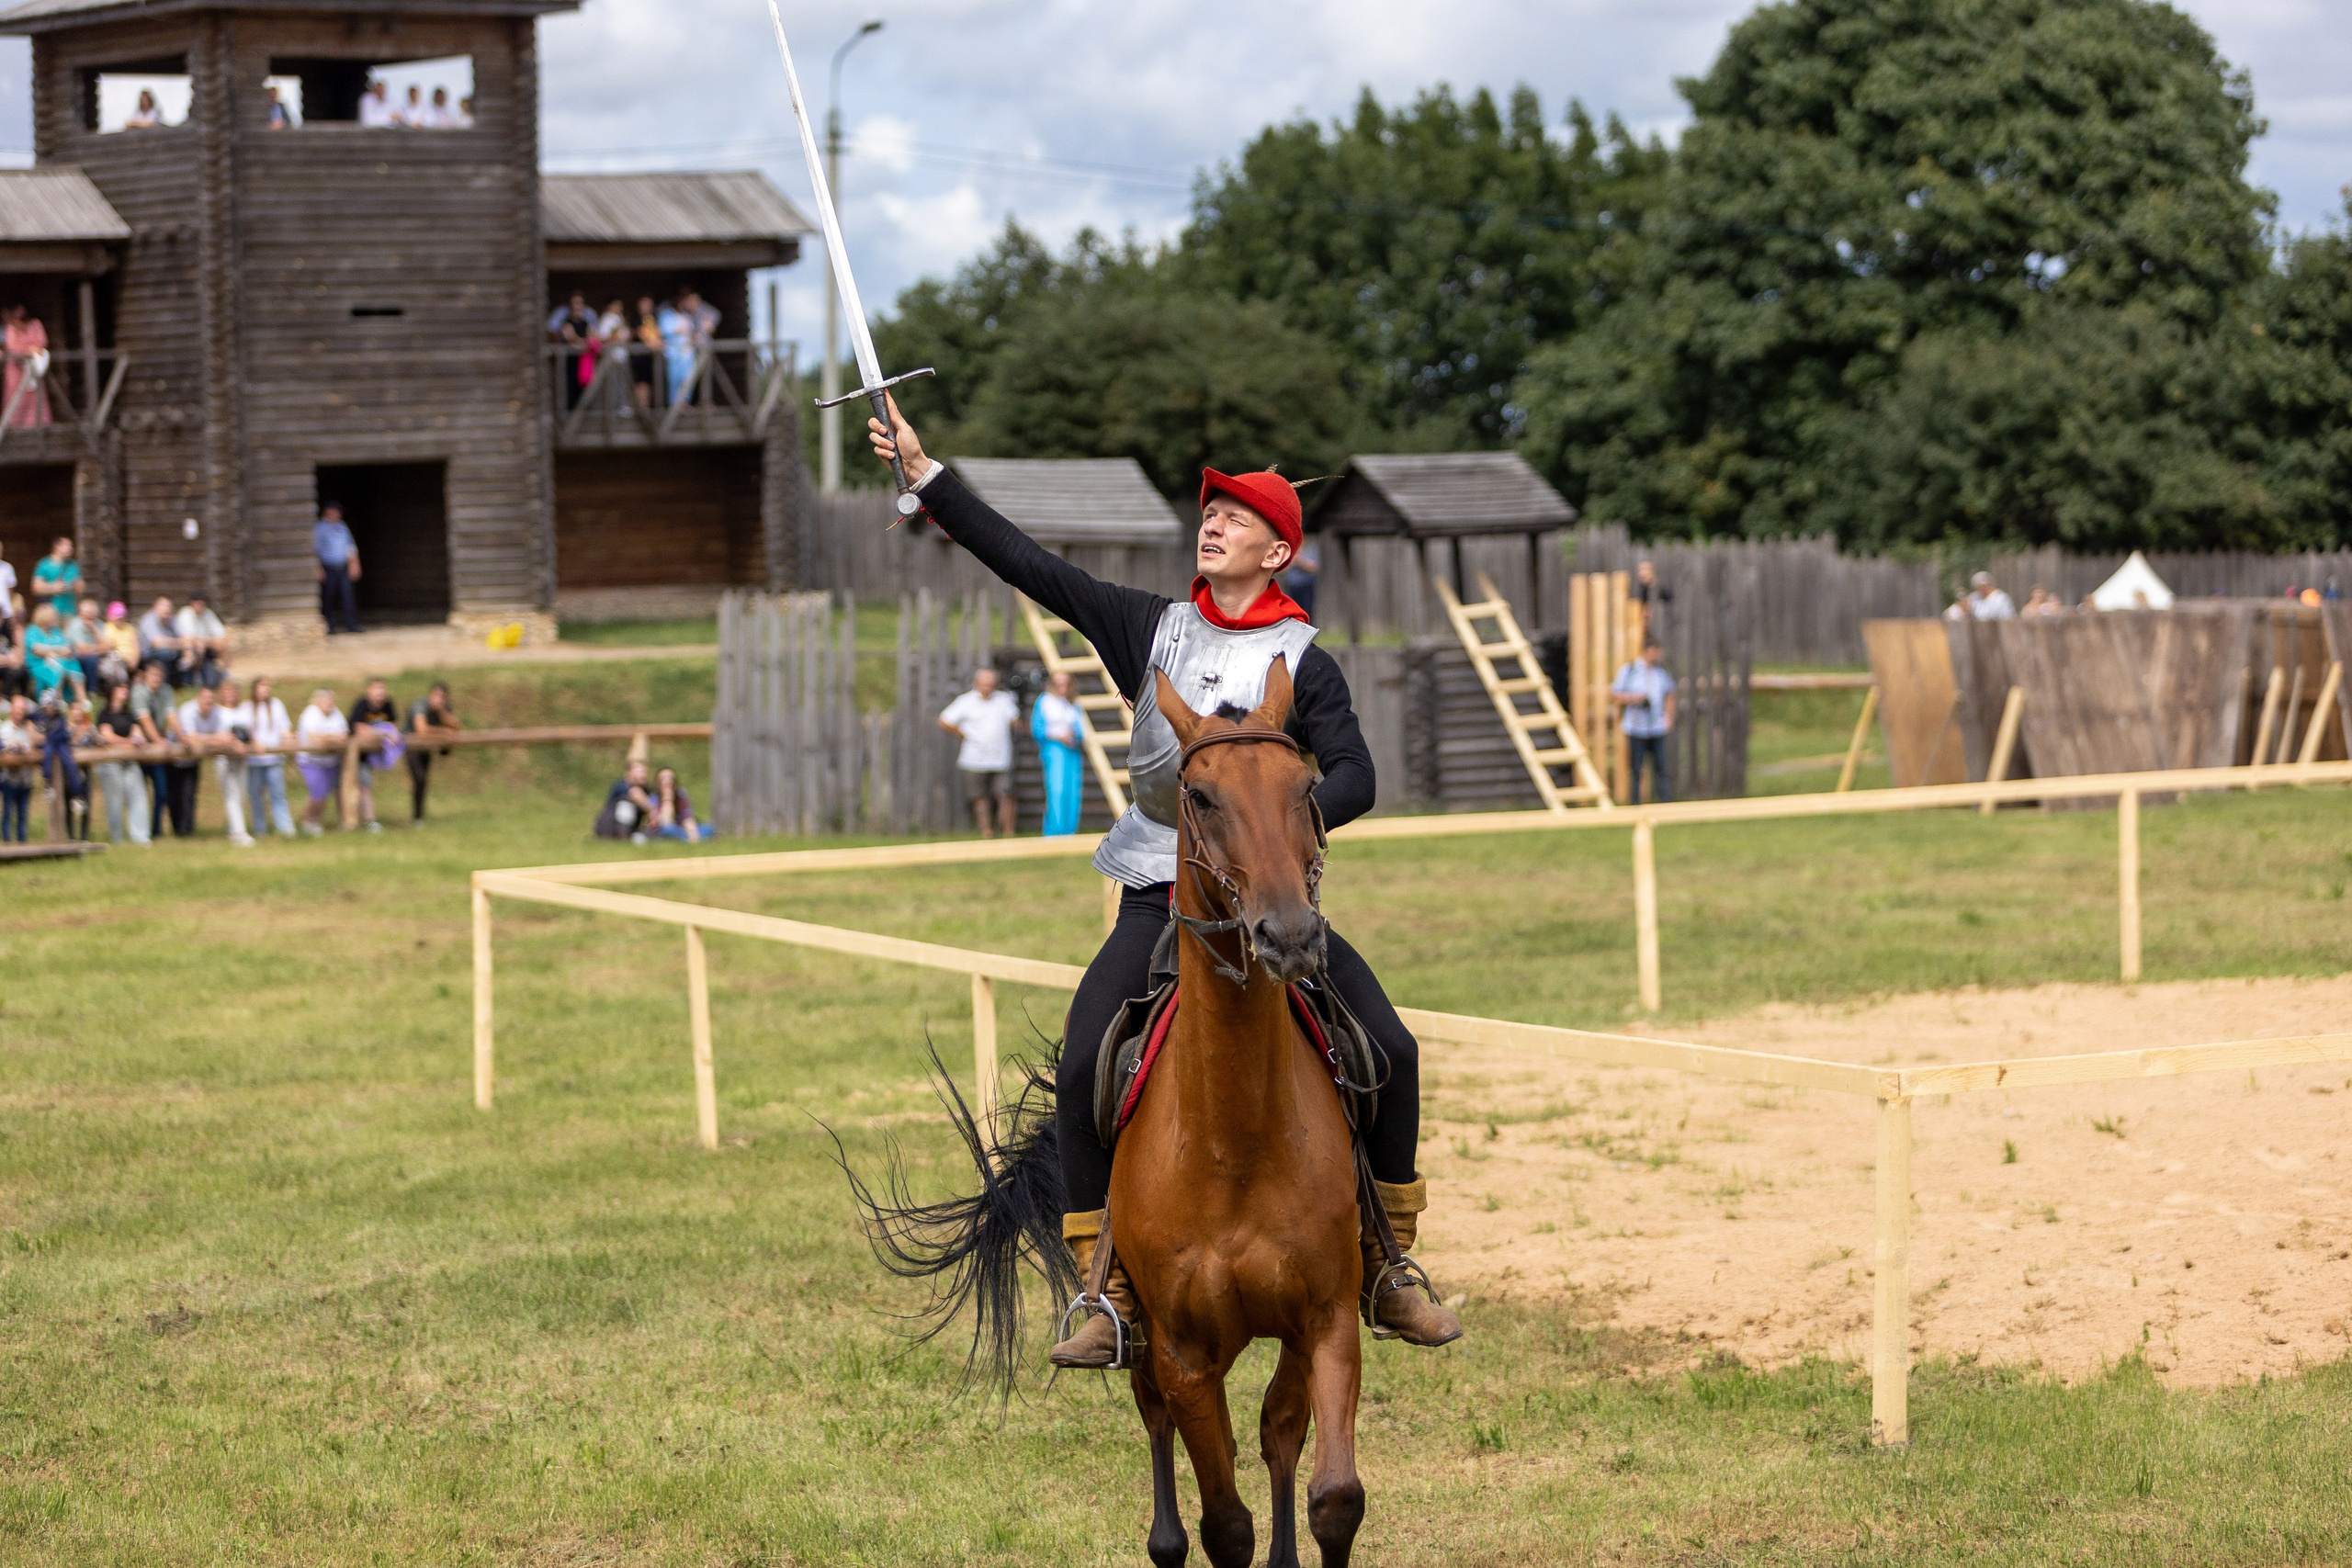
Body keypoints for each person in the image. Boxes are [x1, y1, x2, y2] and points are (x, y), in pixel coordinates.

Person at [868, 394, 1463, 1367]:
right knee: (1080, 1063)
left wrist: (1281, 826)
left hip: (1270, 904)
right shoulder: (1150, 629)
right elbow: (1030, 565)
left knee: (1391, 1047)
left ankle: (1389, 1263)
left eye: (1236, 517)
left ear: (1278, 551)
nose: (1212, 523)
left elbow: (1357, 773)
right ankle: (1101, 1290)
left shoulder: (1306, 663)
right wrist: (927, 475)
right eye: (1210, 511)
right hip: (1159, 894)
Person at [938, 666, 1020, 838]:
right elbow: (944, 720)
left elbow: (1015, 721)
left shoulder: (1004, 700)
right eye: (985, 683)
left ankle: (1008, 832)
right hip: (974, 757)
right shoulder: (965, 701)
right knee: (979, 796)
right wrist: (961, 734)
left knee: (1005, 793)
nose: (988, 687)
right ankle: (986, 832)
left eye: (991, 684)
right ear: (976, 683)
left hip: (1001, 757)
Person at [1611, 636, 1678, 805]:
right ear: (1647, 651)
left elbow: (1670, 694)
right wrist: (1635, 698)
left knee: (1661, 768)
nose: (1658, 654)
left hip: (1656, 728)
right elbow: (1615, 695)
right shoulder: (1630, 670)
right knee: (1636, 769)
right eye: (1655, 651)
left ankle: (1665, 803)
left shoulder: (1660, 673)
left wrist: (1668, 719)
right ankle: (1635, 804)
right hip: (1636, 728)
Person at [183, 679, 251, 845]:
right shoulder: (215, 711)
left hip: (238, 756)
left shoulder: (219, 712)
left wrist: (232, 742)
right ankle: (239, 833)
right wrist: (219, 740)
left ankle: (234, 829)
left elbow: (227, 736)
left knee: (240, 794)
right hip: (223, 759)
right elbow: (198, 737)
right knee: (231, 795)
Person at [91, 682, 149, 845]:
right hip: (110, 763)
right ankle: (117, 838)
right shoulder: (104, 714)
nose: (124, 691)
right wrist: (129, 742)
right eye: (120, 689)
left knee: (138, 797)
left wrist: (137, 739)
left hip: (129, 761)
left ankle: (141, 836)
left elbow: (138, 732)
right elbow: (107, 736)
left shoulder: (128, 713)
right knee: (114, 801)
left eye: (125, 688)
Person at [1031, 670, 1087, 837]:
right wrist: (1058, 736)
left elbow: (1081, 729)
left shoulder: (1073, 704)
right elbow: (1037, 729)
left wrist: (1073, 735)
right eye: (1058, 683)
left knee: (1073, 790)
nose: (1062, 687)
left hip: (1072, 749)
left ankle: (1070, 830)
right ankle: (1054, 831)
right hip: (1054, 748)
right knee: (1057, 790)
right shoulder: (1044, 701)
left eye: (1066, 683)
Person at [239, 675, 296, 839]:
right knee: (256, 796)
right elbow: (244, 730)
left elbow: (284, 728)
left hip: (274, 759)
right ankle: (260, 828)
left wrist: (289, 738)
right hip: (254, 761)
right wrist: (254, 743)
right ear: (255, 688)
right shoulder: (247, 707)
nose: (265, 689)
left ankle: (285, 828)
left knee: (278, 794)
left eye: (267, 686)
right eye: (262, 686)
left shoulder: (276, 705)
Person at [129, 659, 180, 828]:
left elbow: (171, 716)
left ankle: (156, 829)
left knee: (161, 792)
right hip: (140, 747)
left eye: (159, 675)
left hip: (157, 747)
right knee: (140, 793)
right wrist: (159, 741)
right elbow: (144, 720)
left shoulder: (166, 691)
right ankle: (141, 829)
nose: (156, 678)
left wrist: (183, 738)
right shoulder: (139, 691)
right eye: (153, 675)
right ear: (146, 675)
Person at [346, 678, 399, 832]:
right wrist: (382, 733)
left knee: (365, 786)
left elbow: (393, 728)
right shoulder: (361, 705)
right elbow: (358, 728)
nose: (379, 693)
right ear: (368, 691)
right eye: (376, 689)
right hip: (357, 755)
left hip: (376, 754)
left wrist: (385, 734)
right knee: (363, 785)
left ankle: (359, 820)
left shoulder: (387, 704)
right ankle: (366, 820)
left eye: (381, 689)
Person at [403, 681, 458, 824]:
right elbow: (421, 730)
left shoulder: (444, 708)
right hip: (411, 746)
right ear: (430, 694)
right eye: (436, 695)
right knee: (419, 778)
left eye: (442, 697)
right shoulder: (420, 705)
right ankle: (417, 818)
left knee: (423, 781)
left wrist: (442, 713)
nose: (439, 700)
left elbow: (456, 726)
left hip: (426, 748)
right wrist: (443, 731)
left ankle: (418, 817)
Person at [295, 688, 348, 834]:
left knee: (326, 793)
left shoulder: (335, 713)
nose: (329, 703)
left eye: (331, 700)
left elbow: (343, 735)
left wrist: (328, 738)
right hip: (311, 760)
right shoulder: (310, 714)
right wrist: (332, 738)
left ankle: (315, 821)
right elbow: (314, 738)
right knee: (318, 792)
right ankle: (308, 821)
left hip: (330, 761)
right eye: (325, 700)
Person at [313, 502, 361, 634]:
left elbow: (350, 546)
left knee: (347, 596)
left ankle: (351, 625)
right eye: (335, 512)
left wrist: (354, 564)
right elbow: (315, 550)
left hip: (342, 567)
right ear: (327, 513)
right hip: (328, 567)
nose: (338, 515)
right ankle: (329, 626)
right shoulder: (320, 529)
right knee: (328, 597)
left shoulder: (342, 527)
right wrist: (318, 568)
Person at [3, 306, 52, 427]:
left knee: (35, 397)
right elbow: (12, 347)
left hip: (32, 368)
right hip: (16, 370)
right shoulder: (11, 328)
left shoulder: (35, 325)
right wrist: (29, 350)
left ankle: (37, 425)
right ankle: (15, 426)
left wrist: (34, 349)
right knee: (16, 398)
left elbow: (41, 341)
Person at [172, 591, 230, 687]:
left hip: (207, 645)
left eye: (202, 603)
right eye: (198, 603)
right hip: (190, 647)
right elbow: (190, 637)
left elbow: (221, 634)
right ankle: (197, 674)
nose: (201, 605)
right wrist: (209, 641)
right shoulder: (186, 614)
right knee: (199, 647)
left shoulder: (208, 614)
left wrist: (212, 642)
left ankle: (224, 672)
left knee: (225, 644)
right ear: (192, 603)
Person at [594, 758, 659, 841]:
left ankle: (628, 837)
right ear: (628, 774)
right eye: (639, 771)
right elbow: (635, 794)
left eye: (644, 771)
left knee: (650, 836)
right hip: (609, 828)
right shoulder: (621, 786)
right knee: (626, 804)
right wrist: (650, 810)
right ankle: (623, 838)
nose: (643, 775)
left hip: (631, 829)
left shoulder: (647, 791)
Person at [0, 694, 34, 843]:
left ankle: (22, 843)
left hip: (25, 779)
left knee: (23, 814)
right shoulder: (4, 729)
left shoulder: (29, 728)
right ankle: (7, 843)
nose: (20, 712)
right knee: (7, 813)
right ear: (11, 710)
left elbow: (35, 746)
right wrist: (10, 747)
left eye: (22, 710)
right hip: (9, 778)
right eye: (17, 709)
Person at [24, 604, 74, 703]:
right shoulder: (32, 630)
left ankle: (81, 699)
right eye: (53, 616)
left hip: (58, 659)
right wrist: (57, 651)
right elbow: (36, 650)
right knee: (57, 667)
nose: (56, 619)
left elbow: (66, 648)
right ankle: (58, 699)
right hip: (37, 664)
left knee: (73, 664)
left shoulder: (55, 631)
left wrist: (51, 652)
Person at [649, 766, 711, 840]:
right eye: (664, 779)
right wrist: (668, 800)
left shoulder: (681, 795)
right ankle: (687, 839)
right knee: (667, 830)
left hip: (680, 828)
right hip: (663, 830)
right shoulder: (653, 798)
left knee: (708, 828)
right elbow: (665, 822)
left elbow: (687, 817)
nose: (668, 781)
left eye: (670, 778)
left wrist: (692, 832)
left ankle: (687, 839)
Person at [137, 595, 184, 678]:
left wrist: (185, 648)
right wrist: (179, 644)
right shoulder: (149, 620)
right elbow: (157, 643)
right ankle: (164, 682)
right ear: (155, 607)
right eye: (163, 606)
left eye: (169, 606)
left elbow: (183, 639)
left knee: (189, 651)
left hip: (169, 651)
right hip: (146, 654)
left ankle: (188, 683)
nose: (166, 609)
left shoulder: (171, 620)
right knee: (165, 653)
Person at [1278, 536, 1321, 621]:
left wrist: (1300, 562)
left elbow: (1314, 568)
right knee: (1292, 610)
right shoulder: (1290, 550)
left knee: (1307, 610)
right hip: (1291, 585)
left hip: (1306, 585)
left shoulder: (1310, 550)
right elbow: (1281, 569)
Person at [32, 536, 79, 615]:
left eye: (71, 546)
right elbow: (36, 588)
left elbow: (80, 587)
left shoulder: (72, 565)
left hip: (70, 611)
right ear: (57, 547)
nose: (71, 548)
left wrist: (74, 586)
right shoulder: (44, 565)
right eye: (67, 545)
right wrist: (54, 588)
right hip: (50, 612)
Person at [630, 296, 662, 410]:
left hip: (650, 357)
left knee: (650, 382)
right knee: (640, 382)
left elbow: (658, 333)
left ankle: (647, 406)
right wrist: (653, 344)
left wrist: (657, 343)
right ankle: (641, 407)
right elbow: (640, 333)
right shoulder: (636, 319)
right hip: (639, 357)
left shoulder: (653, 319)